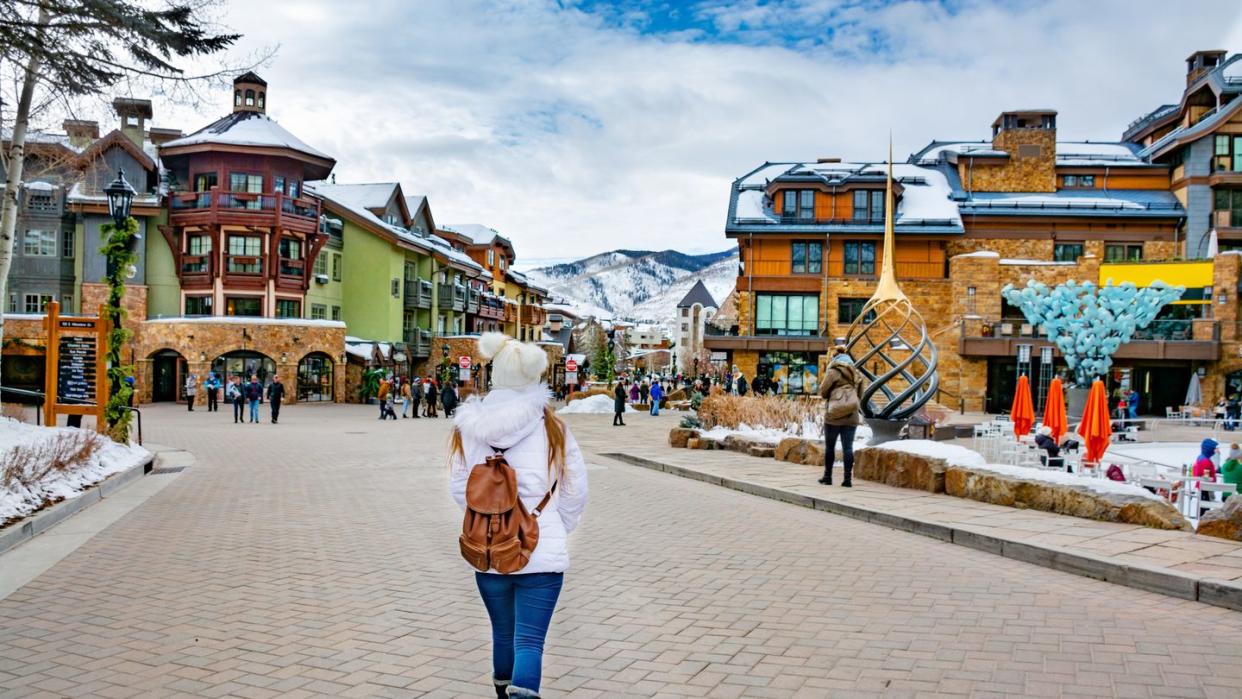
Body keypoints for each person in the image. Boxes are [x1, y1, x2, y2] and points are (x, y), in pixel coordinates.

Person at [448, 333, 588, 699]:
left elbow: (459, 487)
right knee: (530, 641)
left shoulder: (467, 428)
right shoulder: (554, 427)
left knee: (503, 634)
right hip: (541, 552)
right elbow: (575, 490)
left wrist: (489, 520)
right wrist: (555, 525)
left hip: (488, 551)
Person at [817, 346, 863, 487]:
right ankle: (847, 479)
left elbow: (823, 391)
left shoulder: (833, 371)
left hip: (833, 416)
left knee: (830, 447)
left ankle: (828, 477)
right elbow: (860, 395)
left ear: (835, 358)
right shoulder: (856, 373)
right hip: (851, 415)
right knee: (848, 448)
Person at [1194, 438, 1220, 513]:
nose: (1214, 451)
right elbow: (1207, 477)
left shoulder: (1201, 457)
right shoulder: (1206, 461)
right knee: (1205, 509)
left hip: (1202, 486)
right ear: (1209, 450)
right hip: (1206, 488)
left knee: (1203, 508)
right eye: (1214, 449)